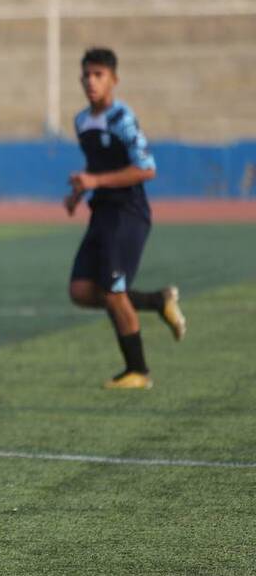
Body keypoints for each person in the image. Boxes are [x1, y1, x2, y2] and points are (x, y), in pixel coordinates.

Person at [65, 48, 186, 390]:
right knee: (81, 290)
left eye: (99, 75)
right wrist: (78, 192)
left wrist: (95, 182)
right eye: (87, 75)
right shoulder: (81, 121)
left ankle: (138, 371)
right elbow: (97, 167)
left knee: (114, 292)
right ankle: (158, 301)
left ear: (114, 80)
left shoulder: (123, 119)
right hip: (102, 212)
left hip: (128, 213)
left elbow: (146, 168)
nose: (91, 81)